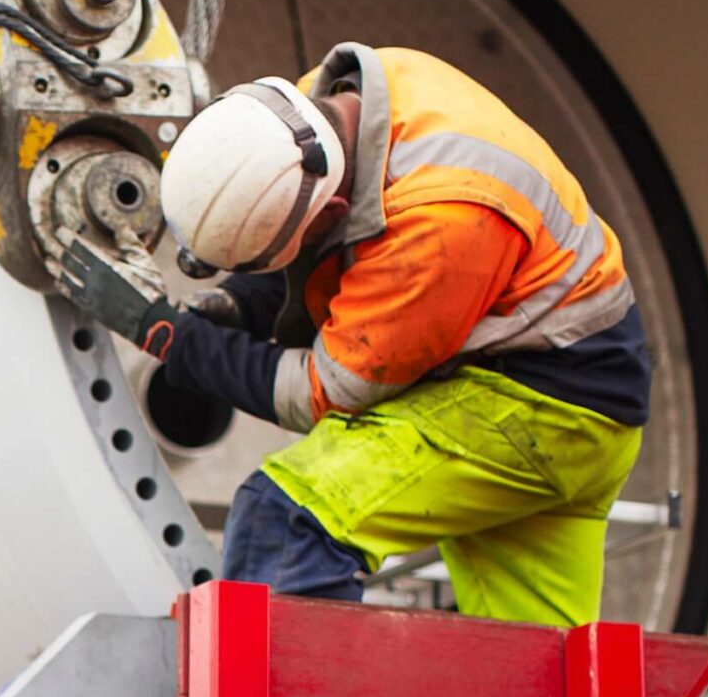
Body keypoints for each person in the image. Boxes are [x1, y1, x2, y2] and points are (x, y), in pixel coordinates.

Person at [57, 43, 648, 625]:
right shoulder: (329, 109)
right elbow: (324, 259)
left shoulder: (442, 219)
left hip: (537, 407)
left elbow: (321, 392)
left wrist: (171, 336)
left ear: (333, 211)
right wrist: (236, 306)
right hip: (582, 402)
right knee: (539, 687)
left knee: (288, 518)